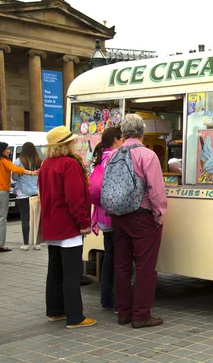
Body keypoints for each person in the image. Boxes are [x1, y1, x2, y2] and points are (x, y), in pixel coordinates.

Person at [110, 113, 167, 328]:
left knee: (122, 266)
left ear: (123, 133)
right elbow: (156, 191)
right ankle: (141, 314)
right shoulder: (148, 155)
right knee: (145, 267)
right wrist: (159, 215)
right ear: (143, 132)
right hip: (142, 216)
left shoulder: (113, 155)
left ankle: (123, 312)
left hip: (118, 217)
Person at [38, 126, 96, 329]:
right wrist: (83, 223)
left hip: (52, 224)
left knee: (54, 270)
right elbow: (74, 197)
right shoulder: (69, 164)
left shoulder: (46, 164)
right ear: (66, 144)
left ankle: (55, 311)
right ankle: (75, 316)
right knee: (71, 273)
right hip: (68, 225)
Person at [88, 127, 123, 311]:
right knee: (120, 259)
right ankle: (119, 301)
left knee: (109, 258)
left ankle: (106, 299)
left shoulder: (100, 157)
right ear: (117, 140)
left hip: (101, 215)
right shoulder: (117, 157)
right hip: (115, 214)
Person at [0, 142, 38, 253]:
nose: (8, 151)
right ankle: (0, 245)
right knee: (1, 218)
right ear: (2, 150)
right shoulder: (4, 161)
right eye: (7, 149)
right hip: (0, 192)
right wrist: (32, 173)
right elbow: (17, 170)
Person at [13, 142, 43, 251]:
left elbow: (15, 177)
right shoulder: (39, 161)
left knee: (25, 218)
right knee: (37, 218)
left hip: (22, 194)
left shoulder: (18, 161)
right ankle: (36, 243)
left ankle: (25, 243)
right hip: (36, 193)